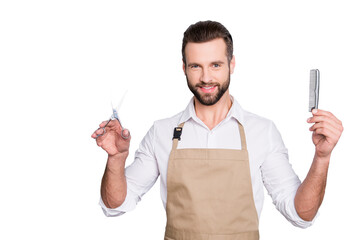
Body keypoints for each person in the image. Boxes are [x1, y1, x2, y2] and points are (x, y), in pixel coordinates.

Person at [91, 20, 343, 239]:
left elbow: (301, 214)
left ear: (231, 64)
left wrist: (322, 157)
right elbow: (115, 204)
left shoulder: (261, 131)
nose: (206, 77)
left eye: (215, 65)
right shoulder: (162, 132)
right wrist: (116, 158)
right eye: (195, 66)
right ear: (184, 68)